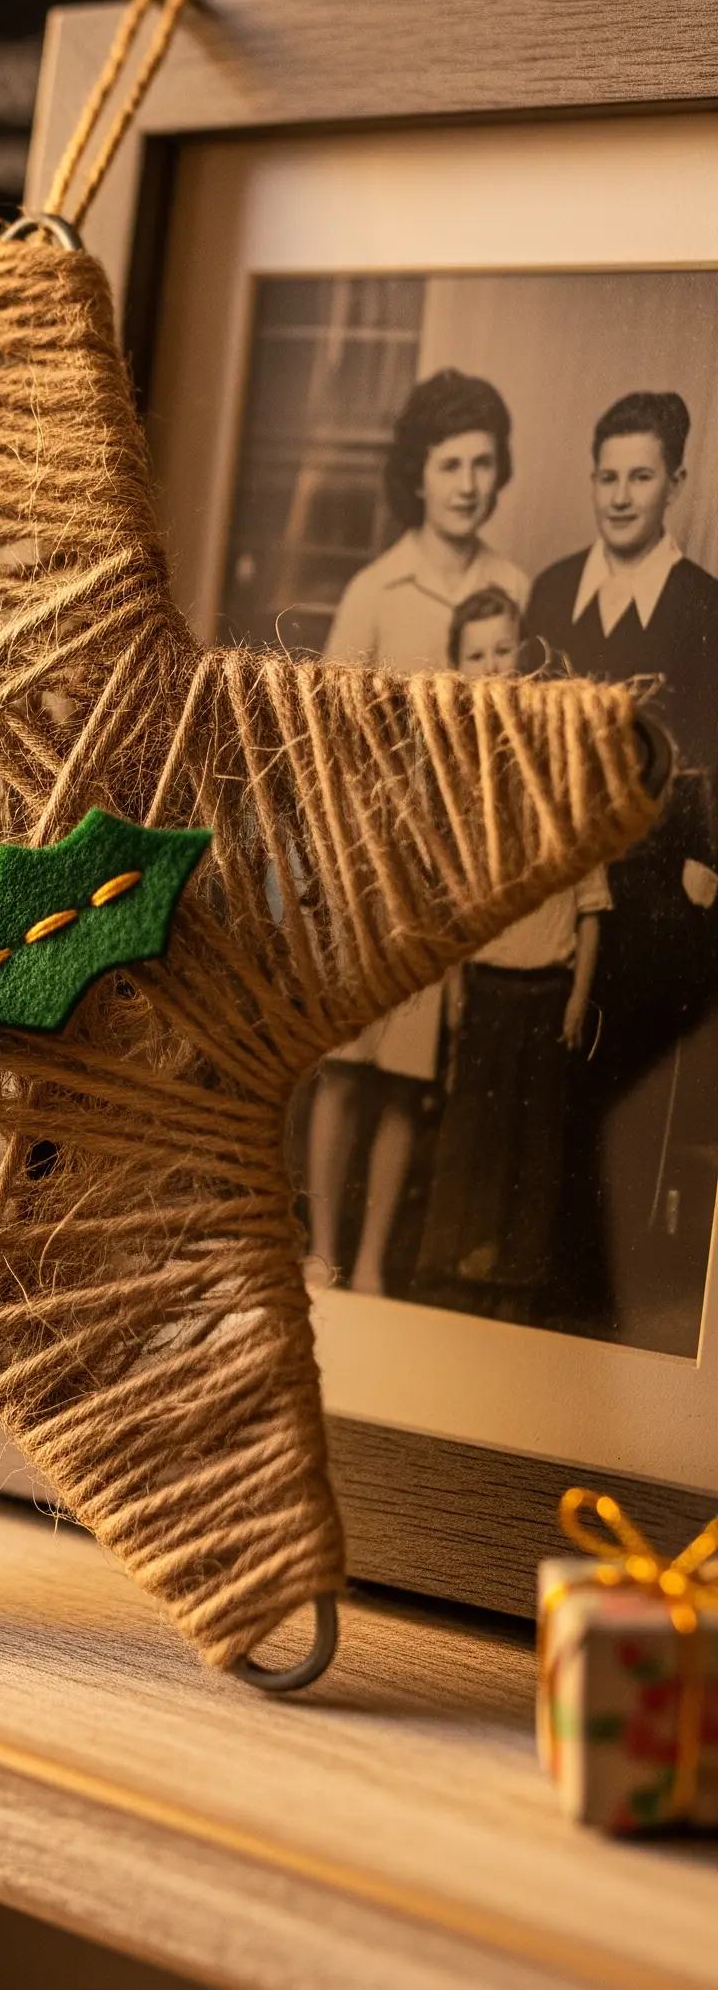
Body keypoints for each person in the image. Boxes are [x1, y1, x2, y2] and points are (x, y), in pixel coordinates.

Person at [306, 370, 527, 1296]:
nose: (469, 483)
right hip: (369, 866)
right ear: (419, 476)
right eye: (450, 464)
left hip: (454, 872)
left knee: (407, 1078)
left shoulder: (515, 589)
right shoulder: (374, 591)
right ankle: (320, 1247)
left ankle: (370, 1264)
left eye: (484, 462)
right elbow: (321, 739)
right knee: (349, 1069)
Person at [524, 388, 718, 1334]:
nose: (620, 494)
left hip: (654, 898)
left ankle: (601, 1314)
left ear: (676, 483)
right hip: (556, 884)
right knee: (546, 1090)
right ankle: (538, 1298)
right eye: (607, 475)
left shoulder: (703, 607)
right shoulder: (554, 590)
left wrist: (704, 864)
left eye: (641, 475)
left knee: (623, 1109)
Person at [415, 588, 609, 1312]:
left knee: (536, 1138)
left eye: (505, 651)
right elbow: (462, 895)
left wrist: (578, 995)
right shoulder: (458, 762)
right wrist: (460, 981)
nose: (493, 666)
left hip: (547, 987)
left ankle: (520, 1274)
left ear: (524, 655)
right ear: (456, 666)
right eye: (477, 655)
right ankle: (455, 1265)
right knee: (473, 1131)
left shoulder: (560, 760)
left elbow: (590, 902)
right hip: (487, 983)